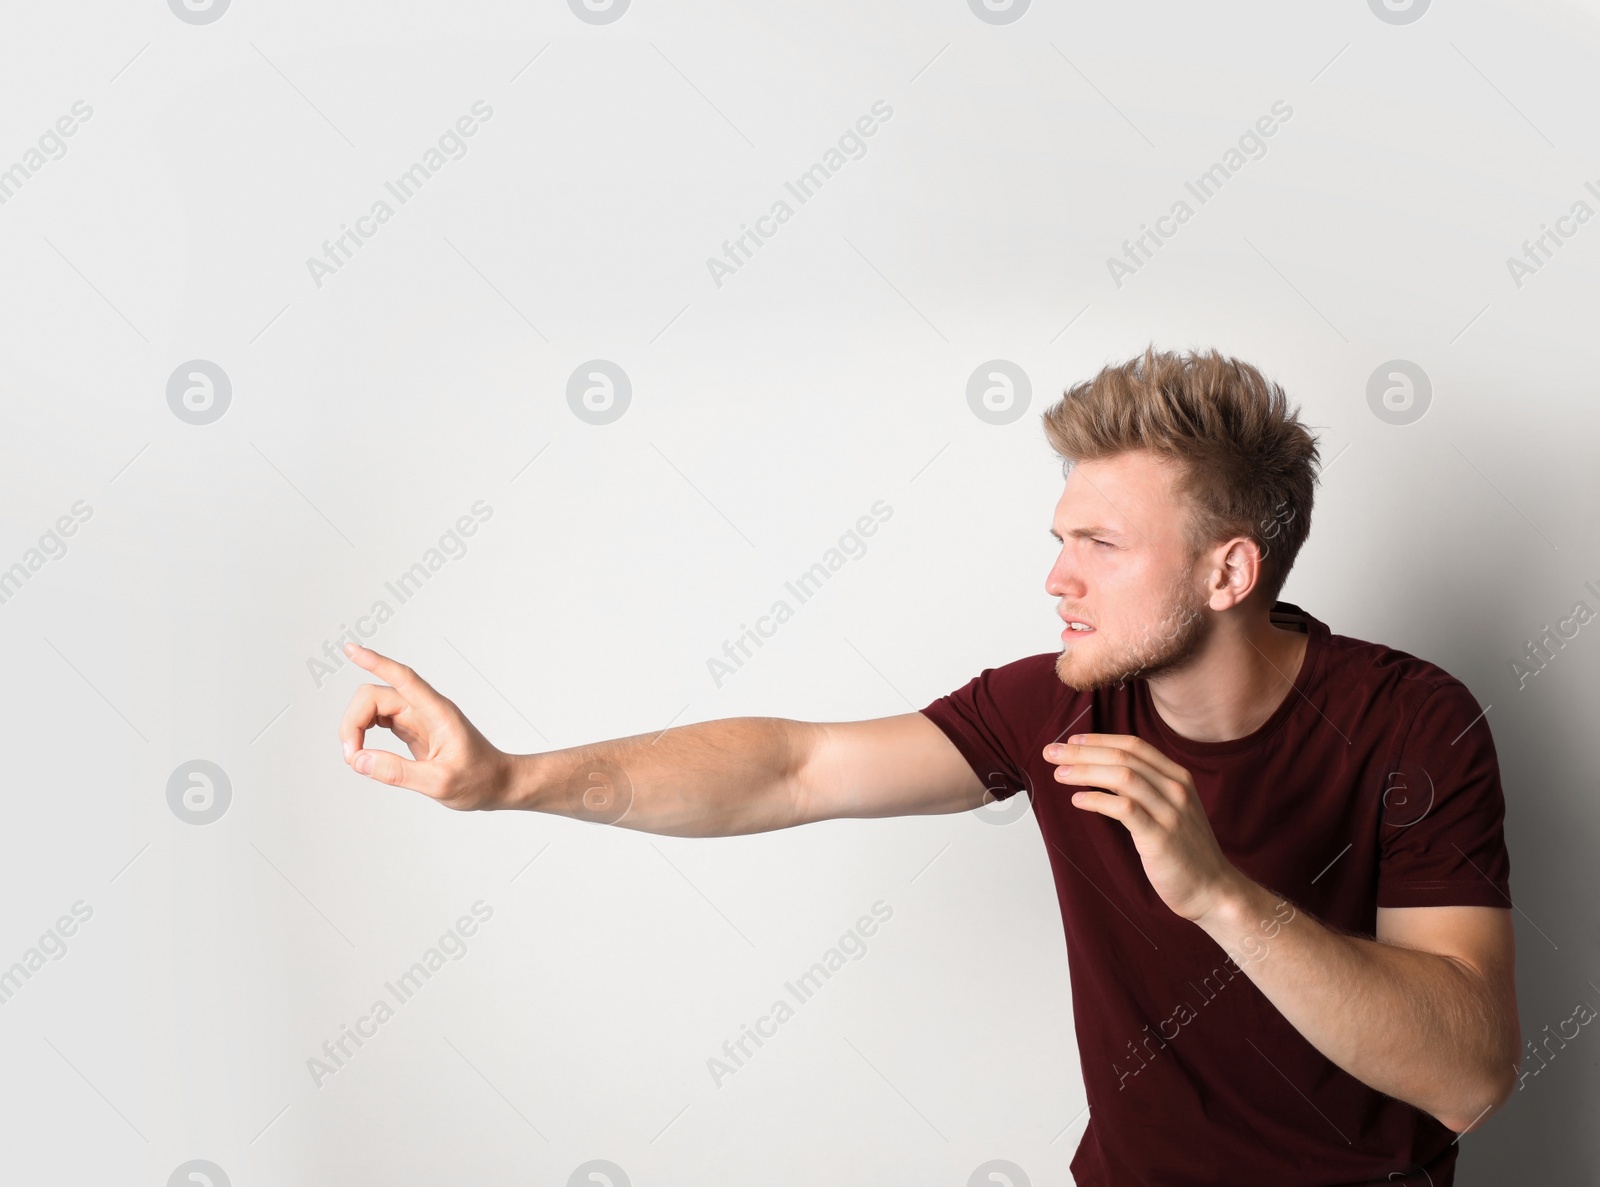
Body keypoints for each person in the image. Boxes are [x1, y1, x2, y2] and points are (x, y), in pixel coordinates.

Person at [337, 346, 1518, 1186]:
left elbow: (1465, 1076)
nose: (1056, 577)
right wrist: (506, 778)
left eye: (1099, 544)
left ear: (1227, 573)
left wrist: (1217, 892)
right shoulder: (1055, 702)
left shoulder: (1413, 723)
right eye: (1058, 538)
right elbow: (791, 769)